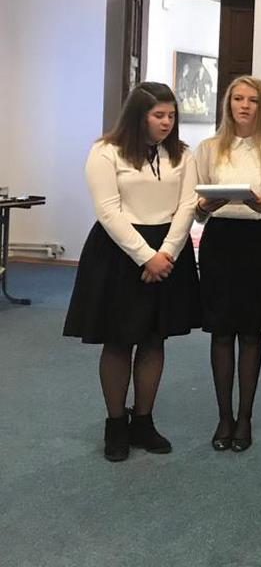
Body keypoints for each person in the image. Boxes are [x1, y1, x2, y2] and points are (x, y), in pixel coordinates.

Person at [63, 82, 200, 461]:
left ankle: (143, 421)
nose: (167, 122)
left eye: (171, 115)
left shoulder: (183, 154)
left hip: (168, 250)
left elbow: (187, 205)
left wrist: (166, 253)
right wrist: (145, 257)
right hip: (119, 253)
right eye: (159, 115)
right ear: (139, 115)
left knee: (154, 339)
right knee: (119, 340)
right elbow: (108, 210)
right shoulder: (105, 151)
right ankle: (115, 425)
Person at [193, 75, 261, 453]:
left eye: (252, 100)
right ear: (228, 104)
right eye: (238, 99)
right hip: (219, 241)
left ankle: (245, 417)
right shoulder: (208, 148)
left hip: (259, 242)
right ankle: (224, 416)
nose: (244, 106)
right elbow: (195, 207)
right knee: (221, 332)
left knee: (251, 332)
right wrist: (205, 206)